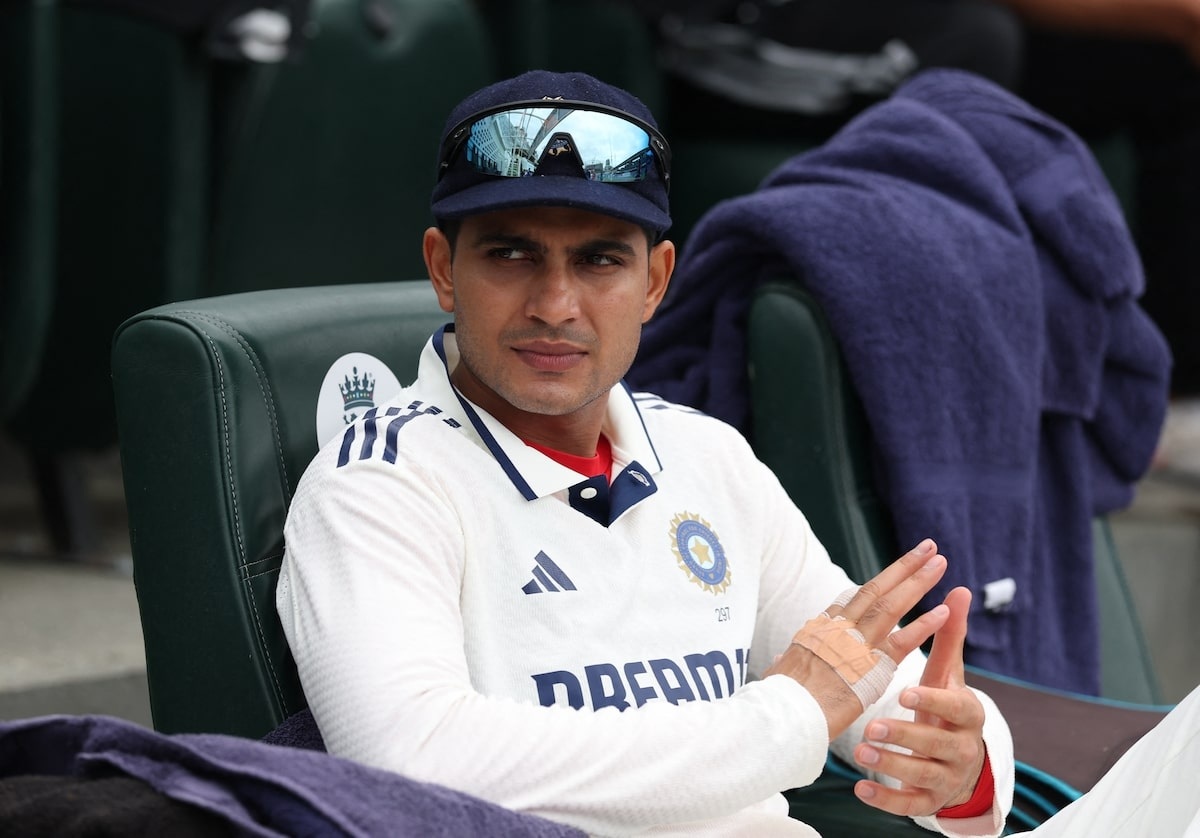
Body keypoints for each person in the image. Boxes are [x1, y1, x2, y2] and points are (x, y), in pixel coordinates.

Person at [275, 68, 1013, 837]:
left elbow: (877, 691)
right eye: (511, 255)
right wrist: (785, 719)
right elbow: (412, 760)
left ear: (656, 281)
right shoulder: (377, 481)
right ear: (442, 269)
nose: (555, 306)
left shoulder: (708, 454)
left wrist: (957, 762)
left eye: (599, 261)